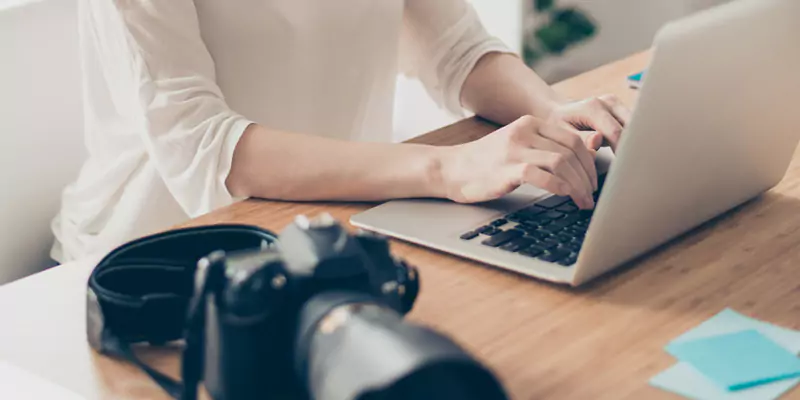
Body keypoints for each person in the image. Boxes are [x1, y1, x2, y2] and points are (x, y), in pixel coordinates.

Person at [51, 0, 631, 263]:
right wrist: (448, 167)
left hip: (328, 225)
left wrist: (557, 112)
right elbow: (205, 148)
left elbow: (458, 49)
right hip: (160, 252)